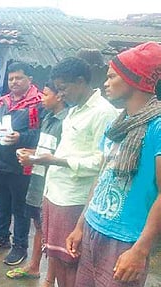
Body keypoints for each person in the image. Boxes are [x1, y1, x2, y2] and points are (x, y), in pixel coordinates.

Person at [66, 42, 161, 287]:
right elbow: (102, 177)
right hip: (93, 228)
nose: (105, 83)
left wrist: (140, 250)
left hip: (126, 239)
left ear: (134, 78)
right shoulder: (117, 125)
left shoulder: (157, 127)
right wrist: (80, 225)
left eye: (111, 76)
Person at [30, 57, 118, 287]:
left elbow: (102, 162)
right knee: (56, 256)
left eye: (63, 88)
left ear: (80, 81)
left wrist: (58, 161)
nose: (60, 95)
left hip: (75, 199)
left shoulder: (103, 113)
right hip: (54, 193)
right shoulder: (72, 111)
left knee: (73, 260)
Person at [0, 61, 44, 266]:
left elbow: (43, 135)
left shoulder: (38, 102)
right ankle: (1, 237)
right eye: (11, 78)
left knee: (21, 208)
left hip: (22, 165)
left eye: (19, 78)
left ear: (29, 80)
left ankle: (20, 246)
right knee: (2, 204)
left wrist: (20, 138)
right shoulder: (2, 103)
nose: (14, 82)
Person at [6, 80, 68, 285]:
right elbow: (46, 150)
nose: (42, 99)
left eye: (46, 94)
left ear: (60, 96)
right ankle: (34, 266)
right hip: (39, 177)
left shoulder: (66, 121)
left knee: (52, 232)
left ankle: (50, 279)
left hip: (54, 182)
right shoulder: (49, 118)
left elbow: (62, 156)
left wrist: (33, 157)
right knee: (39, 225)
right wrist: (31, 154)